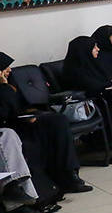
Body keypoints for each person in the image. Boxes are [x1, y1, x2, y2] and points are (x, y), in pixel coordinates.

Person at [0, 51, 91, 204]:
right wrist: (4, 88)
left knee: (58, 121)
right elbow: (4, 114)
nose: (9, 70)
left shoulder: (9, 85)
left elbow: (19, 107)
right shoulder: (5, 88)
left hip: (21, 122)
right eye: (4, 68)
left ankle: (69, 175)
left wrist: (29, 114)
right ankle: (33, 195)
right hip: (10, 129)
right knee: (29, 140)